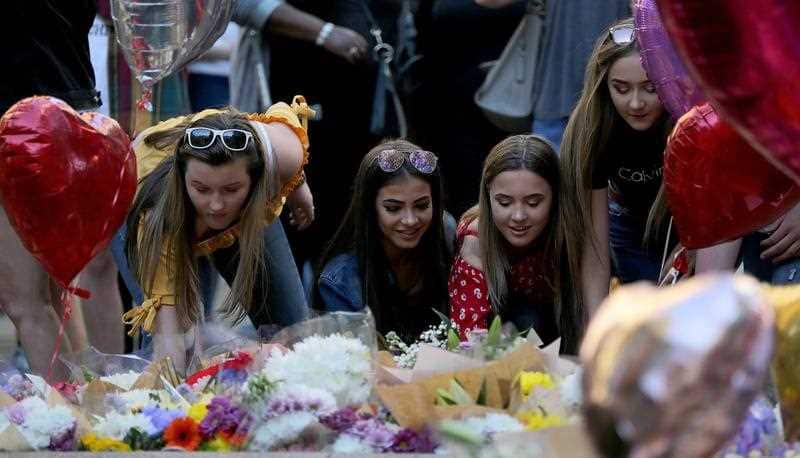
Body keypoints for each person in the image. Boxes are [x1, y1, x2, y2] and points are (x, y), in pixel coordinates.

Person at [117, 101, 313, 369]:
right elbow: (169, 332)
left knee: (294, 331)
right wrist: (173, 402)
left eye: (231, 189)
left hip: (248, 213)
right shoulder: (154, 219)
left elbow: (283, 120)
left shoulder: (282, 156)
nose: (216, 205)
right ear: (182, 178)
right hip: (143, 203)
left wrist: (297, 188)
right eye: (201, 188)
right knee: (175, 347)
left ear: (256, 179)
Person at [1, 1, 126, 379]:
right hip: (72, 112)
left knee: (25, 301)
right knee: (59, 290)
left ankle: (67, 423)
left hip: (19, 126)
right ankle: (99, 405)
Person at [561, 18, 673, 313]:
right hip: (629, 222)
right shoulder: (591, 128)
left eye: (650, 88)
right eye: (621, 89)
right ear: (603, 84)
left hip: (691, 224)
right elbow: (595, 249)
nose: (635, 104)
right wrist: (596, 332)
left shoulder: (687, 118)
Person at [448, 135, 583, 353]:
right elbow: (468, 337)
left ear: (556, 196)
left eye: (533, 202)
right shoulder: (476, 240)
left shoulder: (571, 230)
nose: (518, 216)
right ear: (488, 195)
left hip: (559, 332)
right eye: (504, 202)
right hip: (499, 339)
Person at [313, 139, 454, 340]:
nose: (410, 220)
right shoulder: (341, 281)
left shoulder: (449, 235)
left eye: (422, 206)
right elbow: (355, 364)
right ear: (369, 208)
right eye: (393, 208)